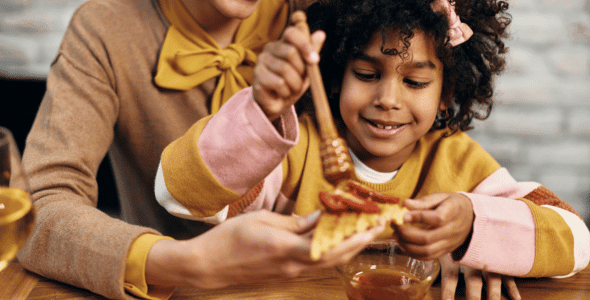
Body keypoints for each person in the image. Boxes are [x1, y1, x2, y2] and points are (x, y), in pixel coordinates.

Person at [154, 0, 590, 299]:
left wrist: (474, 226)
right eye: (365, 73)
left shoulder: (457, 163)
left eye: (415, 82)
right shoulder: (292, 149)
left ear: (446, 92)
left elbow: (575, 239)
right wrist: (261, 109)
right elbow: (179, 196)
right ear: (335, 76)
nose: (388, 98)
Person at [17, 0, 384, 299]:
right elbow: (37, 210)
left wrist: (442, 236)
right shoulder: (106, 29)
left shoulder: (322, 12)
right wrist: (189, 262)